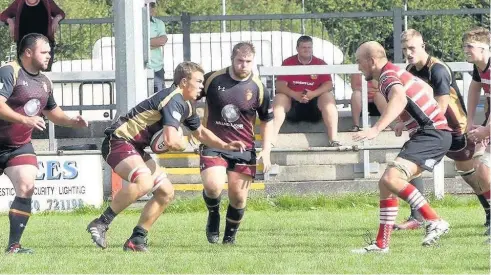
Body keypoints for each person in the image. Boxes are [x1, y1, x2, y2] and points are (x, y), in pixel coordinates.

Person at [86, 61, 245, 252]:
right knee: (143, 182)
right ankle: (101, 223)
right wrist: (184, 142)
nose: (202, 86)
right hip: (118, 141)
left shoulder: (186, 104)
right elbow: (170, 140)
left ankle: (137, 239)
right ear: (184, 82)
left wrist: (225, 145)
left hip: (135, 147)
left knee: (166, 192)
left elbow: (200, 133)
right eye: (199, 81)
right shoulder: (174, 99)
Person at [352, 41, 451, 253]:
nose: (358, 67)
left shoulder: (387, 76)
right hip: (432, 133)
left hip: (431, 134)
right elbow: (422, 89)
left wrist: (376, 129)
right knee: (386, 184)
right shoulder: (395, 71)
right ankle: (381, 244)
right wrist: (406, 120)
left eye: (359, 62)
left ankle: (434, 220)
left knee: (391, 178)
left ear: (371, 61)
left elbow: (399, 97)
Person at [393, 29, 491, 232]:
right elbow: (407, 99)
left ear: (423, 46)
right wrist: (403, 120)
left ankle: (488, 211)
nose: (408, 53)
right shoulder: (410, 70)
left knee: (472, 173)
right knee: (410, 161)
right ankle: (417, 216)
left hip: (454, 130)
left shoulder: (437, 69)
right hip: (433, 127)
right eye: (404, 49)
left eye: (412, 48)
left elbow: (441, 106)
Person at [0, 33, 88, 254]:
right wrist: (25, 119)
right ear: (28, 52)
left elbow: (52, 112)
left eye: (49, 51)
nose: (49, 55)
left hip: (18, 147)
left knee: (27, 185)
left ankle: (14, 245)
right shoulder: (10, 71)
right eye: (44, 52)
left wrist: (71, 120)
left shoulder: (44, 82)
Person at [199, 42, 274, 244]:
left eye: (248, 61)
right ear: (232, 59)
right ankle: (213, 214)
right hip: (214, 143)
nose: (244, 65)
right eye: (240, 61)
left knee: (238, 197)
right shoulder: (213, 79)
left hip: (243, 148)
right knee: (213, 186)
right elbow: (187, 95)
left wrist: (266, 151)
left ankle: (229, 239)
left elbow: (267, 121)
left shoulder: (258, 87)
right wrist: (191, 126)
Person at [272, 35, 340, 147]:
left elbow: (328, 85)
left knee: (328, 97)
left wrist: (313, 94)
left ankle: (334, 139)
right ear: (297, 49)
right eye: (304, 47)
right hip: (293, 104)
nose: (307, 50)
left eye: (309, 47)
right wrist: (295, 95)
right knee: (279, 97)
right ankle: (271, 141)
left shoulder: (320, 63)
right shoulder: (288, 62)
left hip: (314, 105)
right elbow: (279, 86)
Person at [461, 27, 491, 236]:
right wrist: (469, 121)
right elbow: (474, 88)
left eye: (469, 46)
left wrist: (486, 130)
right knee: (480, 169)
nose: (466, 50)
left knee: (482, 168)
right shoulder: (480, 66)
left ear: (484, 48)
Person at [0, 0, 65, 71]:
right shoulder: (19, 2)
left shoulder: (47, 2)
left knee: (45, 74)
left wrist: (56, 19)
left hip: (44, 46)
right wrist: (10, 21)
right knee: (26, 74)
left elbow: (60, 13)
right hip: (25, 47)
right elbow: (3, 15)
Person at [145, 0, 167, 93]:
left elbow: (162, 40)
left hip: (157, 69)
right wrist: (153, 42)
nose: (152, 8)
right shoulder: (134, 23)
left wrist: (142, 44)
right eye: (149, 5)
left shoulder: (159, 23)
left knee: (159, 101)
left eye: (153, 5)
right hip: (139, 70)